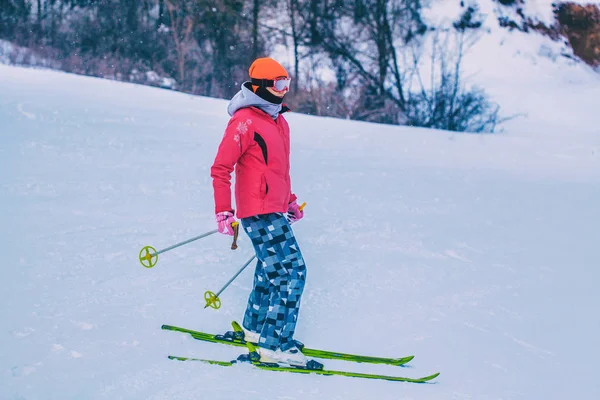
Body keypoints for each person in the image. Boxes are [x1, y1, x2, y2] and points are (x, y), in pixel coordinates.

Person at [210, 57, 308, 367]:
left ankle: (255, 330)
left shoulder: (279, 122)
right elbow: (221, 169)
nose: (284, 90)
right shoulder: (245, 121)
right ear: (260, 86)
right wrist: (223, 211)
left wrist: (289, 201)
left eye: (287, 83)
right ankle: (276, 345)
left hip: (273, 209)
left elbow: (278, 171)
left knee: (271, 270)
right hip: (258, 212)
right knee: (293, 273)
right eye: (279, 84)